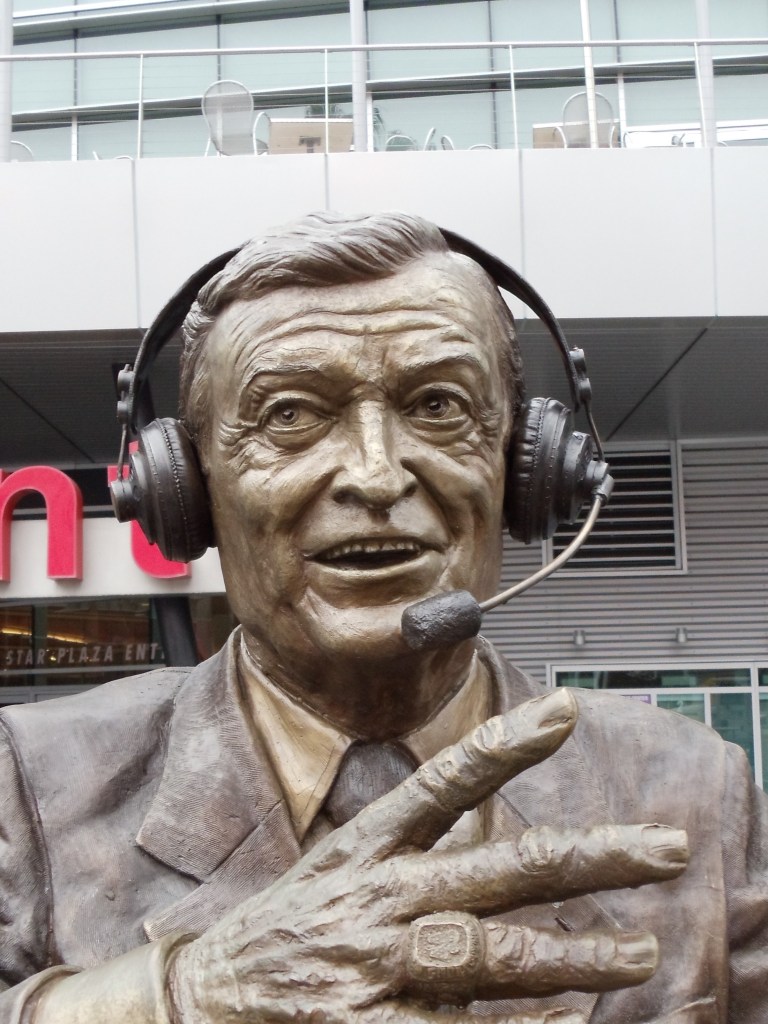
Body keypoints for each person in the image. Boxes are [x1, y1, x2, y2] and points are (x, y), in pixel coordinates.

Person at [0, 211, 764, 1024]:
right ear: (187, 485)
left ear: (524, 467)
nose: (375, 475)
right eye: (290, 415)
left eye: (438, 405)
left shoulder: (696, 788)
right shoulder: (35, 781)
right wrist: (180, 996)